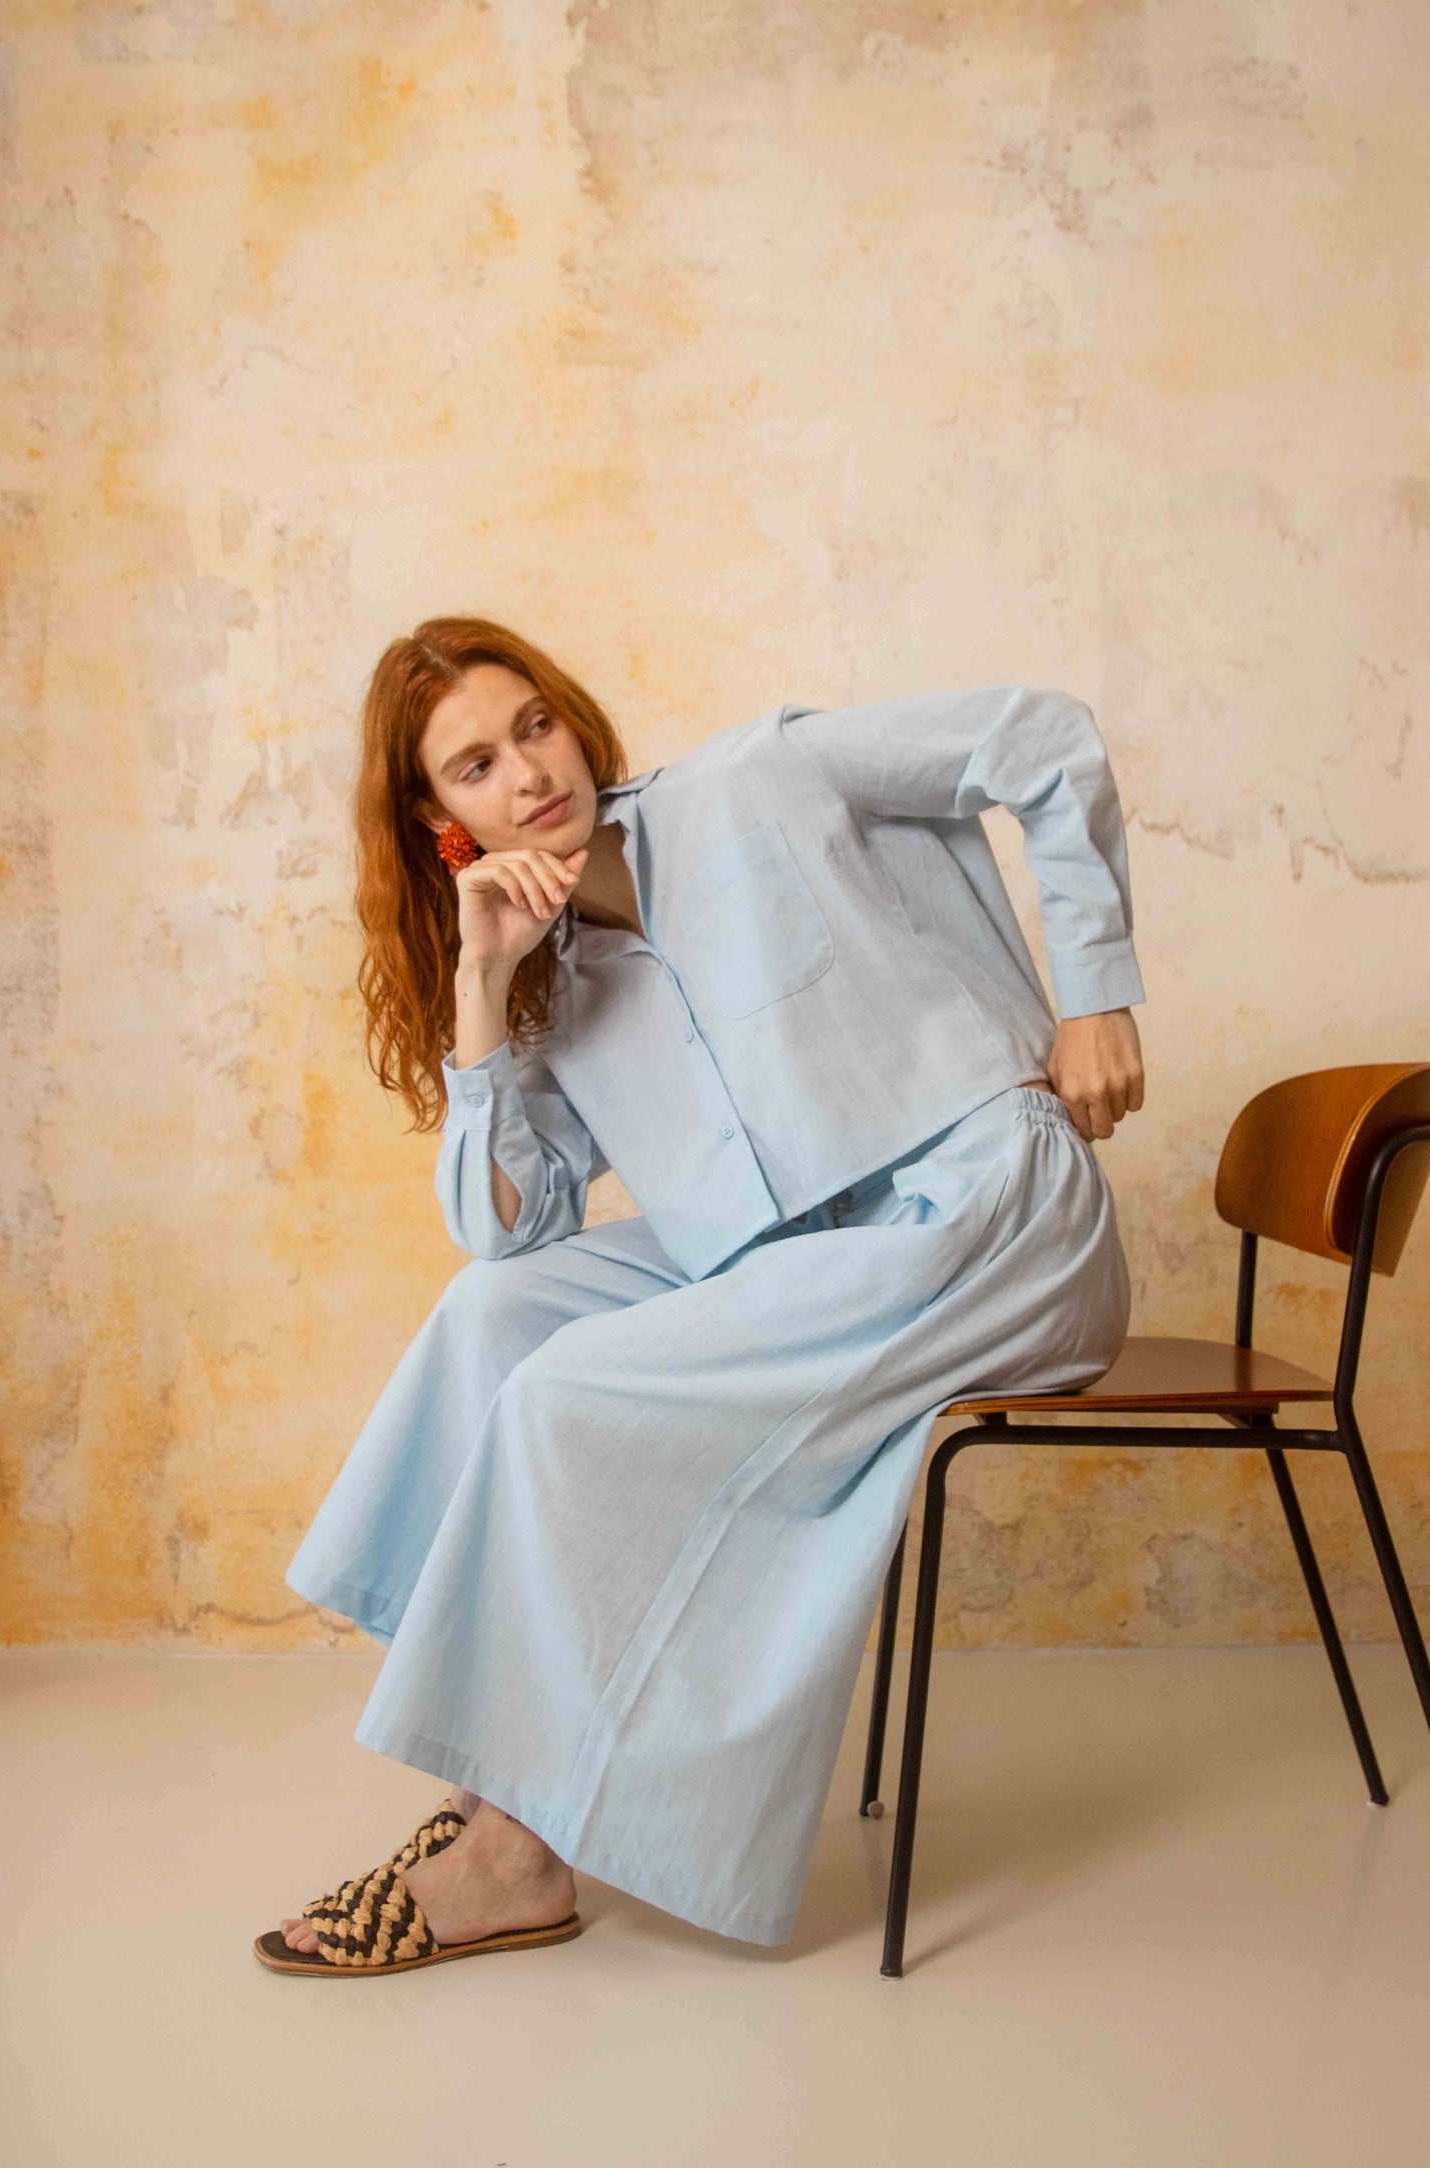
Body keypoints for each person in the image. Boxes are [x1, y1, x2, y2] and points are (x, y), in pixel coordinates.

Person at [254, 616, 1146, 1976]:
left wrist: (1092, 997)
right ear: (438, 820)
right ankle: (515, 1765)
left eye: (532, 726)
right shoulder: (547, 972)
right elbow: (509, 1231)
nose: (528, 775)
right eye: (475, 767)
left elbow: (1037, 737)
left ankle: (515, 1843)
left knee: (565, 1396)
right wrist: (482, 986)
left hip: (980, 1218)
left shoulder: (756, 782)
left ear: (573, 714)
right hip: (792, 1258)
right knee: (495, 1325)